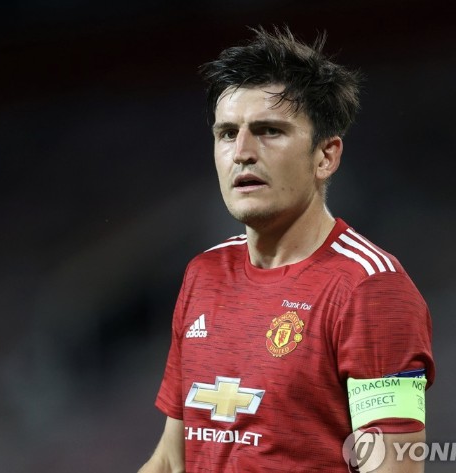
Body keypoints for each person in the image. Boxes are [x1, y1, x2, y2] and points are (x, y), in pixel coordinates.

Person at [139, 26, 435, 473]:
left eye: (269, 131)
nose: (242, 152)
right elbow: (170, 460)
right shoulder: (204, 274)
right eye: (227, 133)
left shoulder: (371, 290)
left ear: (325, 157)